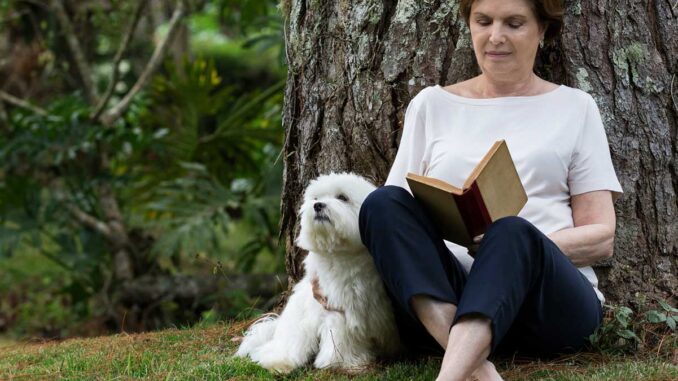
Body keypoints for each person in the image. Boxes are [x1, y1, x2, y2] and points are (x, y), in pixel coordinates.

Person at [358, 0, 623, 380]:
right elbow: (397, 228)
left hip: (544, 307)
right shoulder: (432, 105)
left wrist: (524, 248)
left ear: (542, 31)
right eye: (484, 21)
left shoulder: (575, 108)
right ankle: (476, 365)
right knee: (381, 202)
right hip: (447, 301)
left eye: (514, 23)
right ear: (470, 26)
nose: (495, 37)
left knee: (510, 230)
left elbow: (602, 237)